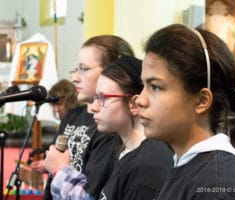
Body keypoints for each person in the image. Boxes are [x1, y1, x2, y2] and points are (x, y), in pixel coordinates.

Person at [135, 24, 235, 199]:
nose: (140, 100)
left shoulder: (215, 185)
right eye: (143, 86)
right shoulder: (190, 163)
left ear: (201, 101)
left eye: (155, 87)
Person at [44, 55, 173, 200]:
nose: (93, 107)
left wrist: (61, 172)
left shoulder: (147, 164)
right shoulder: (124, 151)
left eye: (102, 98)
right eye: (95, 98)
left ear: (133, 104)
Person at [43, 35, 134, 200]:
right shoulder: (72, 116)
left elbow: (92, 192)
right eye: (76, 69)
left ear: (112, 71)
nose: (75, 77)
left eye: (84, 69)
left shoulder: (110, 127)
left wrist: (59, 170)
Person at [29, 79, 81, 173]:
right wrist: (45, 164)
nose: (56, 109)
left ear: (70, 100)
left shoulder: (81, 122)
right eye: (53, 105)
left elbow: (76, 160)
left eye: (59, 104)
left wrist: (45, 165)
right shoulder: (65, 122)